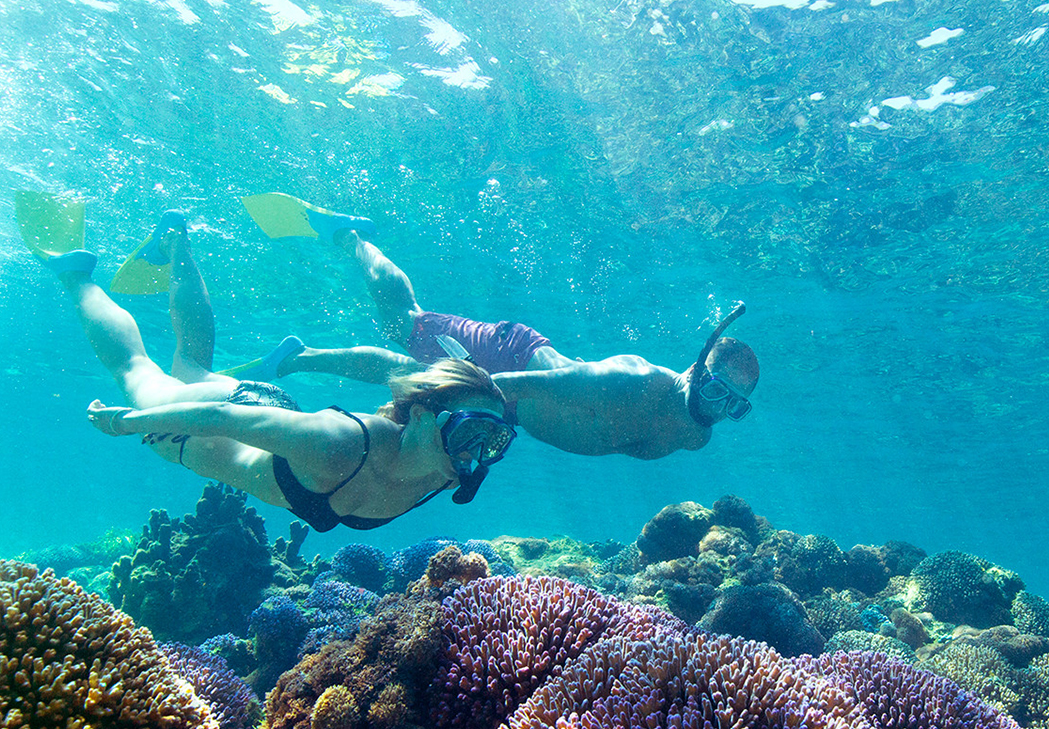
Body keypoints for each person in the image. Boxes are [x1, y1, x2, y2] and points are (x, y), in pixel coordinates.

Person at [39, 212, 516, 531]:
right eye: (473, 432)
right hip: (198, 430)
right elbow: (219, 420)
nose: (478, 454)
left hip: (271, 413)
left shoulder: (443, 472)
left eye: (494, 441)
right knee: (136, 370)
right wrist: (126, 423)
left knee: (190, 363)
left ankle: (174, 240)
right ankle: (75, 274)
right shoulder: (340, 442)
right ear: (421, 417)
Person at [257, 229, 760, 460]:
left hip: (516, 405)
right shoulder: (635, 381)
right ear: (696, 370)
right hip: (511, 363)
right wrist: (459, 388)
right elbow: (529, 381)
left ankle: (298, 355)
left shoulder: (696, 436)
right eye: (718, 393)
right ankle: (353, 239)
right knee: (403, 327)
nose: (719, 411)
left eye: (734, 407)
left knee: (409, 361)